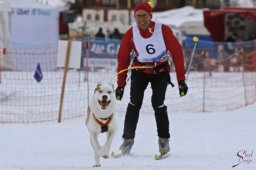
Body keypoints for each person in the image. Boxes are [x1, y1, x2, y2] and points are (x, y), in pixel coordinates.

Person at [115, 2, 188, 155]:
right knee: (134, 103)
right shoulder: (131, 33)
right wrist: (120, 85)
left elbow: (177, 52)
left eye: (144, 15)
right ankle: (128, 140)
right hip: (140, 71)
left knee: (158, 103)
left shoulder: (163, 30)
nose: (141, 19)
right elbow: (123, 59)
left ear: (150, 16)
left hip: (160, 71)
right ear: (134, 17)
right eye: (138, 16)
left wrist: (181, 80)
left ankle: (163, 140)